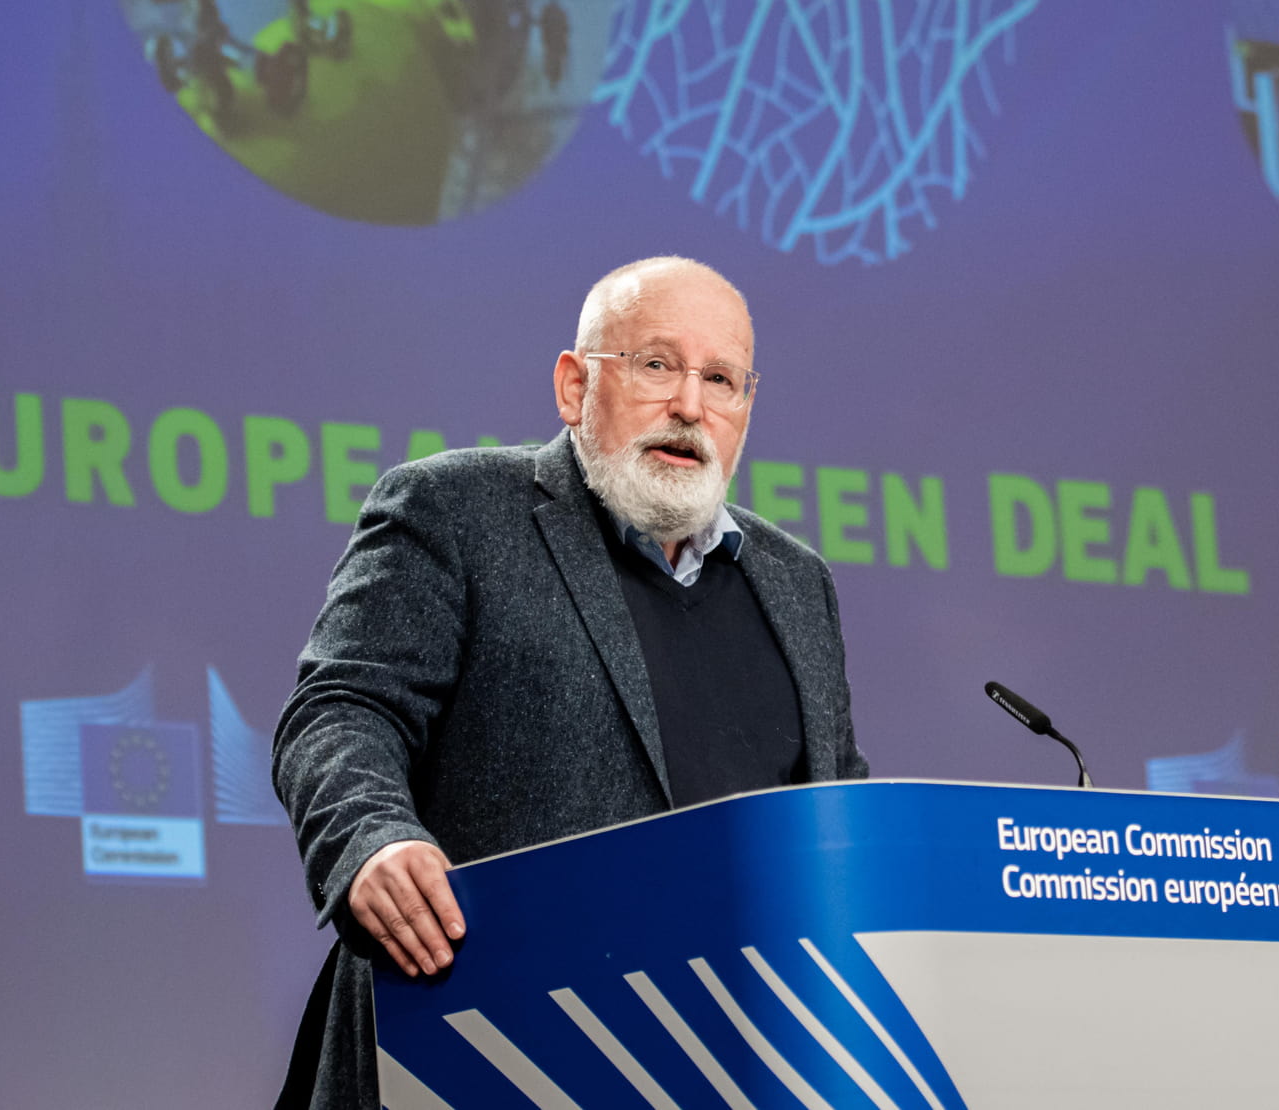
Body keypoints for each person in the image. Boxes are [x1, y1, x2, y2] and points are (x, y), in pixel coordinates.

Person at [270, 256, 869, 1110]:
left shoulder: (797, 584)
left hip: (731, 1062)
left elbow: (837, 814)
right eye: (657, 365)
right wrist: (369, 839)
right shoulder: (456, 510)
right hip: (479, 1045)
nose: (690, 405)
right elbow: (342, 710)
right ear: (574, 384)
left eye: (721, 380)